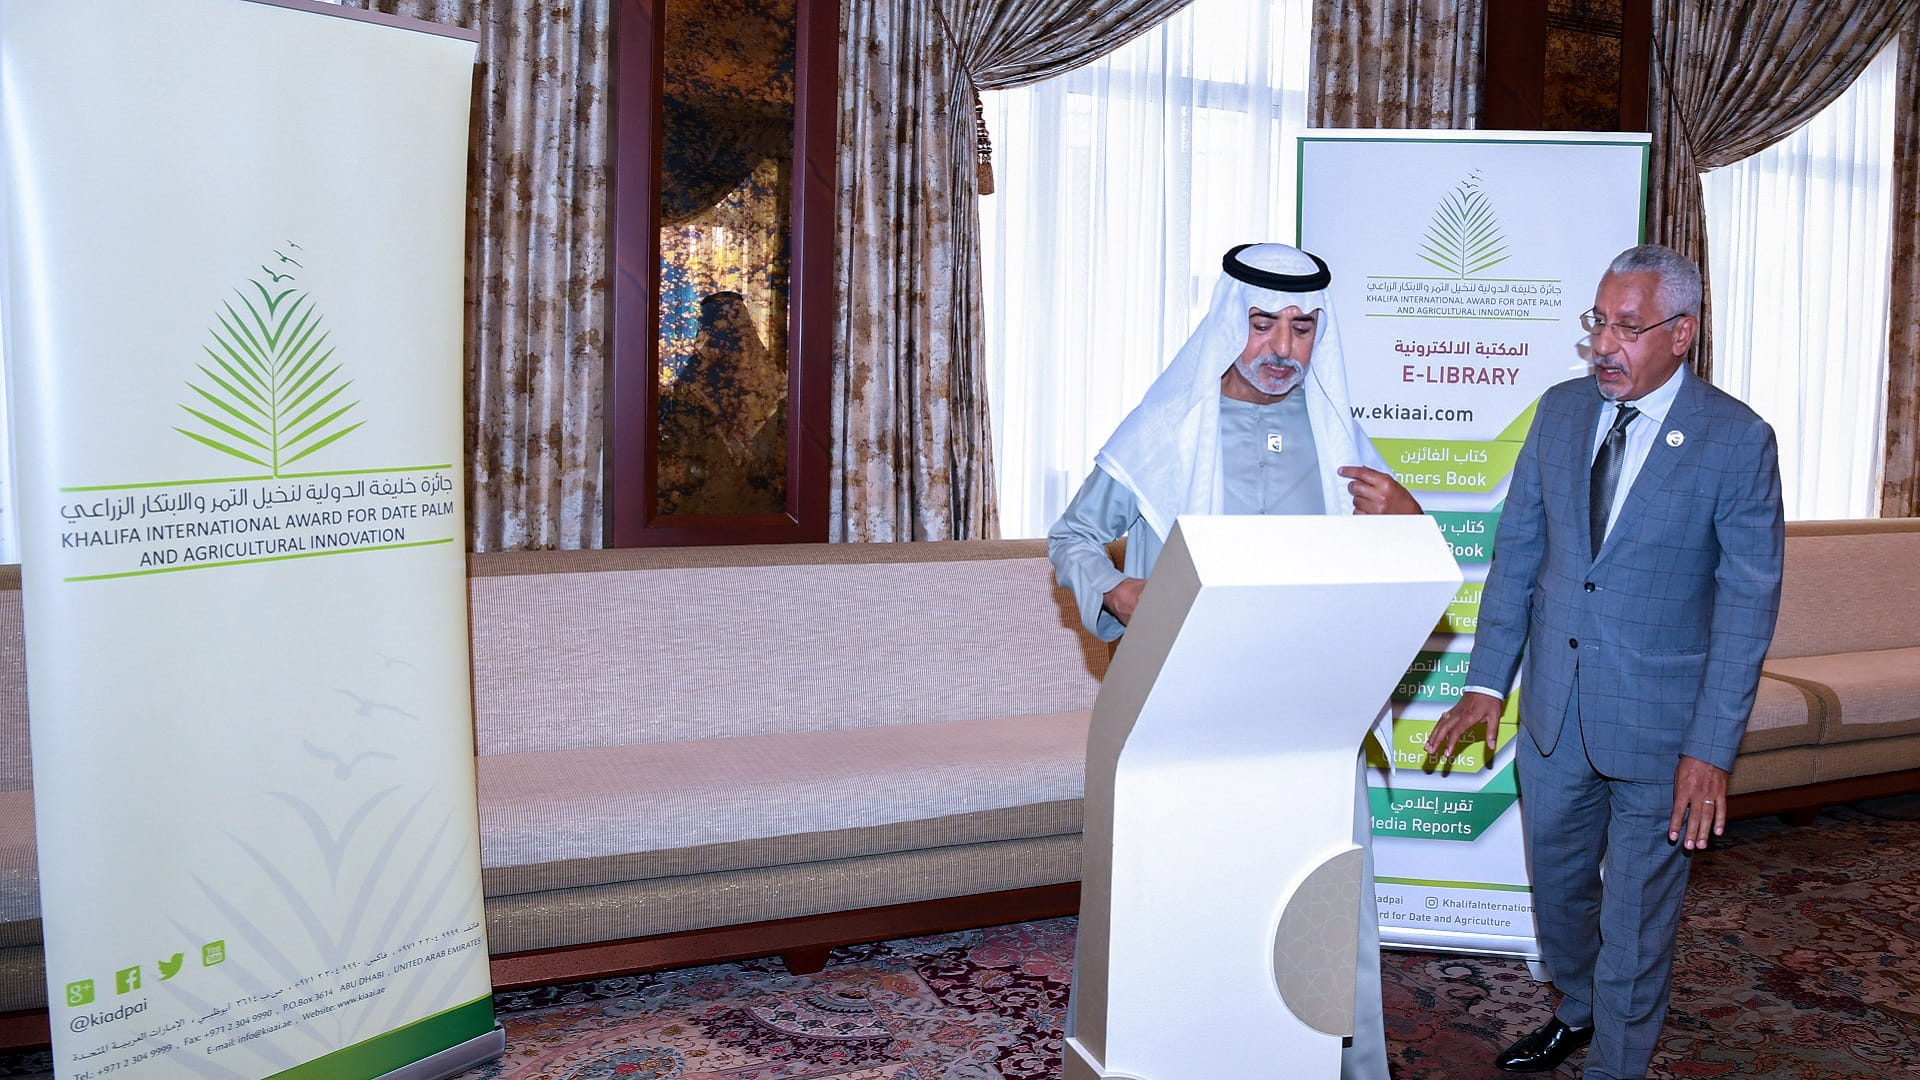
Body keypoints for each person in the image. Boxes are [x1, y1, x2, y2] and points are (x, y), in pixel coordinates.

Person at [1049, 242, 1420, 1080]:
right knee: (1175, 903)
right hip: (1186, 711)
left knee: (1321, 906)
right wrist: (1116, 591)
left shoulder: (1338, 433)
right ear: (1230, 322)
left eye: (1302, 329)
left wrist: (1407, 513)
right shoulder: (1167, 430)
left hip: (1312, 720)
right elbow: (1072, 536)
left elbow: (1391, 570)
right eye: (1263, 324)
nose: (1283, 348)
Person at [1428, 244, 1784, 1079]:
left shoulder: (1737, 440)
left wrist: (1710, 751)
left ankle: (1615, 1064)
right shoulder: (1558, 413)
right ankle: (1581, 1004)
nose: (1604, 345)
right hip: (1555, 715)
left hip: (1664, 730)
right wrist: (1486, 682)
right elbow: (1518, 554)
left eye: (1628, 327)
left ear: (1681, 334)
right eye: (1598, 322)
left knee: (1636, 916)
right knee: (1558, 892)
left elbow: (1746, 609)